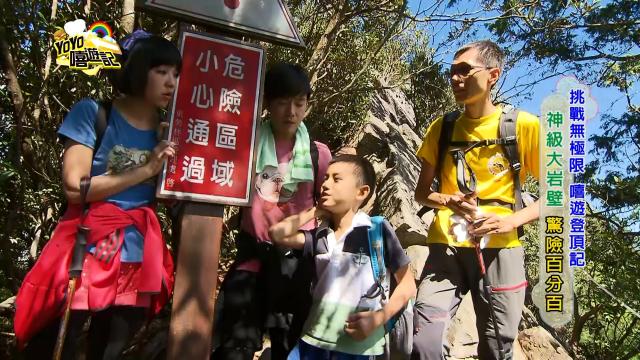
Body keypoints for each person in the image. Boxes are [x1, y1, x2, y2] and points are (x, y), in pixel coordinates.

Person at [14, 31, 180, 359]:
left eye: (176, 74)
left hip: (136, 255)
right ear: (136, 68)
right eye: (161, 72)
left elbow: (167, 195)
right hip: (85, 249)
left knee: (111, 350)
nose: (171, 83)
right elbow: (76, 187)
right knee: (53, 345)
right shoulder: (94, 113)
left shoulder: (169, 129)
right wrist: (146, 169)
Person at [412, 40, 540, 360]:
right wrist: (447, 199)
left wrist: (509, 220)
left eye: (464, 70)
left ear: (492, 75)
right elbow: (422, 192)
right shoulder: (442, 128)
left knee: (497, 348)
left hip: (501, 249)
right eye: (452, 71)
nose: (456, 78)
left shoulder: (522, 125)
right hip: (447, 247)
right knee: (423, 341)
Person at [212, 63, 332, 360]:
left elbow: (327, 207)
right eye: (281, 102)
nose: (291, 111)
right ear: (267, 103)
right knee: (234, 345)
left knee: (289, 348)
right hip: (252, 257)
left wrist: (309, 243)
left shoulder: (319, 154)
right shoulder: (247, 143)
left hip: (295, 266)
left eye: (299, 103)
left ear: (307, 105)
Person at [269, 154, 416, 359]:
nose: (326, 184)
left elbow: (408, 285)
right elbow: (277, 234)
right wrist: (314, 211)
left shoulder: (375, 229)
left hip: (358, 347)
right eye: (326, 178)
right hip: (313, 339)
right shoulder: (320, 235)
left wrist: (377, 319)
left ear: (362, 192)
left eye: (336, 179)